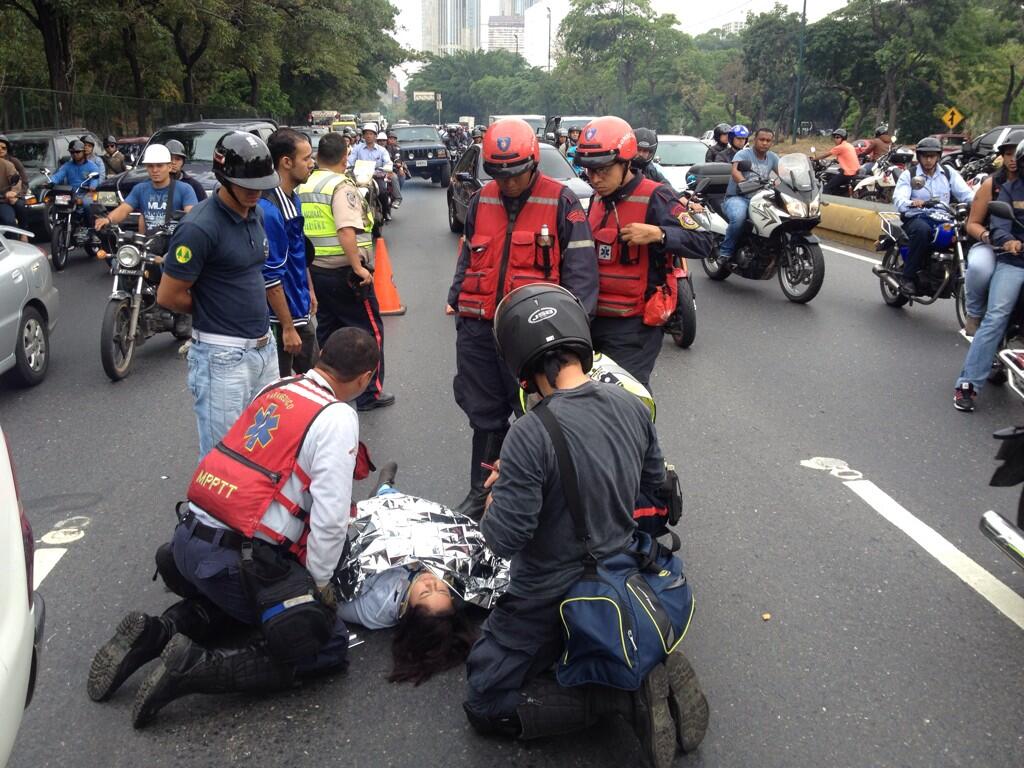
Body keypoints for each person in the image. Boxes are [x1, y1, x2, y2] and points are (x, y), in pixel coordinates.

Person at [463, 283, 708, 768]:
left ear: (519, 358)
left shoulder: (529, 433)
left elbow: (504, 538)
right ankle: (636, 661)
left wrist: (498, 495)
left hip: (550, 586)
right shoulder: (633, 406)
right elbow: (653, 484)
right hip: (622, 564)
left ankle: (619, 700)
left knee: (485, 701)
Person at [87, 327, 379, 727]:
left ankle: (156, 633)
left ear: (321, 353)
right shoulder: (337, 416)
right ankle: (193, 670)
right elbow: (329, 520)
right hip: (231, 559)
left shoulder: (280, 388)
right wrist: (316, 589)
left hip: (187, 540)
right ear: (364, 378)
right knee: (319, 642)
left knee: (245, 602)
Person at [445, 117, 598, 521]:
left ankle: (548, 497)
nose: (507, 182)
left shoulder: (562, 201)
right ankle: (482, 492)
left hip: (534, 335)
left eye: (514, 174)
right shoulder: (482, 200)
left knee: (543, 416)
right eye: (499, 174)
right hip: (478, 327)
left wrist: (574, 332)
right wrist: (455, 297)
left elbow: (581, 273)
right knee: (484, 413)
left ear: (533, 163)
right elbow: (468, 253)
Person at [157, 131, 281, 458]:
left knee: (264, 449)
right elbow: (168, 295)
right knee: (223, 459)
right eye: (248, 186)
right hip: (222, 358)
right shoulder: (199, 227)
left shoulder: (256, 213)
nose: (256, 193)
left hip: (263, 350)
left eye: (262, 186)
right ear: (223, 178)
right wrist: (215, 310)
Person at [575, 116, 713, 387]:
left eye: (603, 170)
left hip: (634, 326)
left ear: (626, 162)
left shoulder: (657, 197)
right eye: (590, 171)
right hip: (591, 320)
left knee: (627, 399)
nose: (595, 179)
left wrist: (659, 234)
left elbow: (704, 240)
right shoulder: (595, 199)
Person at [298, 131, 394, 412]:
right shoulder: (341, 186)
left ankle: (323, 391)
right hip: (345, 273)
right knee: (369, 332)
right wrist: (358, 268)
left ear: (317, 157)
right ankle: (369, 394)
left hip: (316, 271)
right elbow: (346, 231)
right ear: (345, 156)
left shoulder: (305, 184)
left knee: (327, 330)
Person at [954, 138, 1024, 412]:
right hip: (1014, 261)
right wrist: (1009, 241)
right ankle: (967, 384)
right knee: (995, 317)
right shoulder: (1007, 190)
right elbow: (999, 225)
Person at [259, 128, 319, 377]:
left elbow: (298, 251)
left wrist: (310, 291)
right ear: (286, 162)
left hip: (299, 307)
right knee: (281, 392)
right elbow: (271, 276)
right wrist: (287, 327)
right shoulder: (270, 210)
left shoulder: (292, 199)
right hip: (282, 320)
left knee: (316, 384)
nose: (311, 164)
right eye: (306, 158)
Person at [892, 136, 974, 293]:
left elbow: (966, 194)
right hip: (917, 216)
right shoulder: (910, 175)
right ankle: (907, 277)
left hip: (943, 218)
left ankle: (960, 274)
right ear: (919, 156)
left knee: (966, 233)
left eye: (932, 156)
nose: (929, 160)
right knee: (922, 231)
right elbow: (899, 199)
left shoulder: (948, 174)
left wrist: (976, 202)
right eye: (925, 156)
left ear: (938, 156)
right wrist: (913, 202)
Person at [961, 129, 1024, 336]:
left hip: (1020, 248)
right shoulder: (992, 184)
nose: (1013, 159)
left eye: (1017, 153)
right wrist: (989, 237)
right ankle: (975, 314)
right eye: (1008, 154)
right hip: (992, 244)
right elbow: (973, 223)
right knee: (980, 268)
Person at [95, 144, 198, 234]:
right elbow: (124, 209)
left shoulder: (185, 189)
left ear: (169, 167)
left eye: (159, 166)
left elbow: (191, 218)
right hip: (149, 244)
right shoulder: (140, 189)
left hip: (175, 245)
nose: (155, 170)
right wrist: (108, 219)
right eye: (150, 166)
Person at [719, 127, 780, 268]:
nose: (765, 143)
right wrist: (744, 183)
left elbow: (784, 174)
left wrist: (795, 181)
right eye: (762, 139)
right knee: (739, 218)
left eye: (768, 140)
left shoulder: (772, 157)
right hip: (738, 197)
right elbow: (735, 172)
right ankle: (725, 252)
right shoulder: (743, 154)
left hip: (761, 199)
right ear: (755, 140)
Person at [48, 139, 102, 228]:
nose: (75, 154)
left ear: (83, 152)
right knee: (57, 203)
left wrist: (92, 187)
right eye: (72, 152)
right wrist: (50, 182)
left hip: (87, 193)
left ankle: (90, 228)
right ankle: (60, 224)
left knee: (87, 204)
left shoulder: (92, 166)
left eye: (77, 152)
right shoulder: (67, 166)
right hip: (71, 193)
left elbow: (95, 178)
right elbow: (58, 175)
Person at [349, 123, 401, 212]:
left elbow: (388, 162)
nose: (368, 136)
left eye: (371, 134)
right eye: (366, 134)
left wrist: (387, 168)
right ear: (363, 136)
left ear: (375, 136)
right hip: (360, 177)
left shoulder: (382, 150)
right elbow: (350, 161)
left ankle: (385, 212)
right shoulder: (357, 149)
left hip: (377, 176)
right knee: (350, 192)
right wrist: (346, 167)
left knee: (382, 192)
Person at [0, 136, 29, 237]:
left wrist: (15, 193)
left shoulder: (11, 163)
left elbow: (20, 180)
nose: (1, 150)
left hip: (9, 196)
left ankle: (23, 232)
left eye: (3, 148)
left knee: (18, 205)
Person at [816, 128, 859, 196]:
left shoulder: (840, 147)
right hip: (855, 171)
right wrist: (836, 160)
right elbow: (846, 156)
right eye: (834, 137)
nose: (835, 139)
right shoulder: (849, 145)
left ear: (843, 138)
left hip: (847, 173)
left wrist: (814, 159)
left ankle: (827, 203)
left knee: (827, 188)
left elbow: (826, 155)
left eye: (837, 137)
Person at [632, 127, 675, 192]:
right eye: (638, 149)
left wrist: (685, 200)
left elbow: (667, 188)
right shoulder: (623, 167)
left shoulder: (651, 170)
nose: (641, 154)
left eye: (645, 151)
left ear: (650, 153)